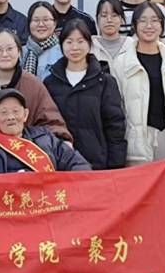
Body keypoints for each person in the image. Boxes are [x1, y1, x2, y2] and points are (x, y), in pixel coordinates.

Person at [112, 1, 165, 164]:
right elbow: (116, 108)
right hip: (136, 143)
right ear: (134, 25)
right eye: (143, 20)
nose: (149, 25)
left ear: (162, 26)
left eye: (155, 20)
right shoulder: (121, 63)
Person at [0, 89, 91, 174]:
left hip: (44, 208)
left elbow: (77, 164)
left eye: (15, 111)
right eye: (4, 112)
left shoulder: (45, 138)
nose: (11, 117)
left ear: (25, 114)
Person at [44, 19, 127, 169]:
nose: (75, 47)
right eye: (69, 42)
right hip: (61, 164)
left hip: (97, 164)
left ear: (89, 44)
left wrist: (115, 165)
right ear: (61, 45)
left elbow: (115, 127)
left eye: (80, 41)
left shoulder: (105, 82)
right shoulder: (51, 83)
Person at [0, 29, 73, 143]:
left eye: (10, 49)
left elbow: (52, 123)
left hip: (27, 149)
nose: (4, 54)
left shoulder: (33, 84)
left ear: (19, 52)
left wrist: (62, 142)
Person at [91, 0, 134, 73]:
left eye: (114, 15)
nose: (109, 20)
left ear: (121, 19)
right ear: (97, 19)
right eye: (104, 16)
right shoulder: (90, 46)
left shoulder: (131, 45)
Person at [21, 1, 62, 80]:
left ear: (55, 23)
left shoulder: (62, 53)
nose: (41, 24)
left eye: (46, 20)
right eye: (36, 20)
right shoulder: (19, 53)